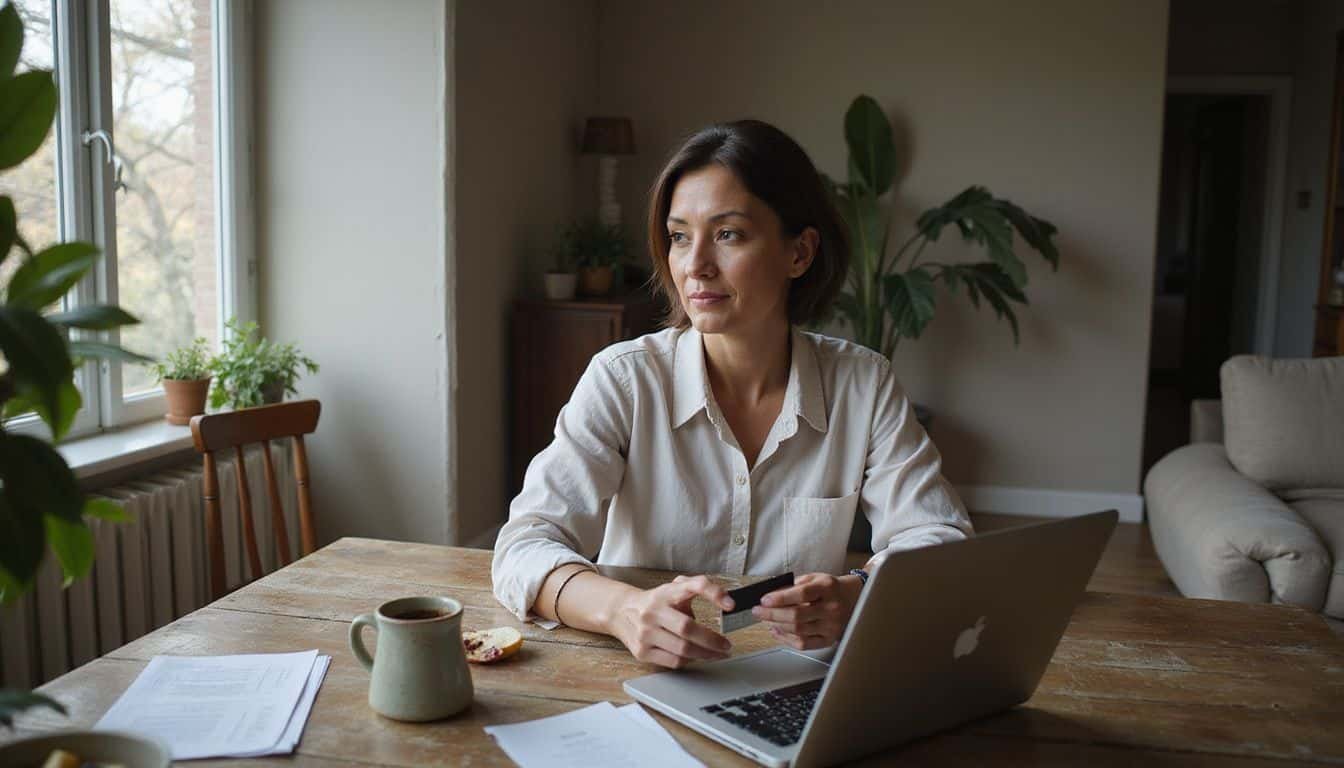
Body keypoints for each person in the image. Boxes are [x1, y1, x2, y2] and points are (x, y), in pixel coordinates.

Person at [492, 119, 972, 670]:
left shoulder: (863, 384)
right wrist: (624, 611)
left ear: (800, 253)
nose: (694, 265)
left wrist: (859, 589)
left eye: (728, 234)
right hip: (635, 674)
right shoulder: (624, 380)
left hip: (795, 679)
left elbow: (940, 538)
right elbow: (524, 545)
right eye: (678, 236)